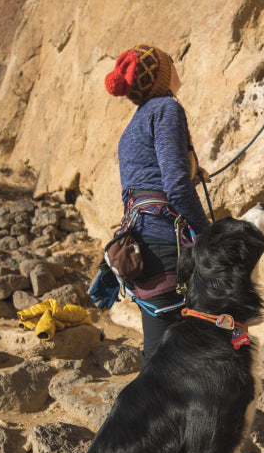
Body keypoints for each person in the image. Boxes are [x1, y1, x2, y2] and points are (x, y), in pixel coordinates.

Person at [89, 43, 211, 365]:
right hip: (165, 244)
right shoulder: (166, 109)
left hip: (142, 242)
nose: (176, 69)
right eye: (171, 63)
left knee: (159, 350)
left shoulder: (131, 128)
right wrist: (207, 233)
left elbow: (150, 180)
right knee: (168, 360)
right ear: (160, 76)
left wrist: (191, 173)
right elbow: (174, 186)